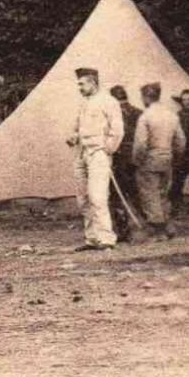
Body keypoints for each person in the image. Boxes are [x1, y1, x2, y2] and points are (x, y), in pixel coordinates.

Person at [65, 67, 123, 251]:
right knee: (83, 199)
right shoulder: (83, 104)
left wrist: (108, 149)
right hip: (81, 152)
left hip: (98, 153)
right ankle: (92, 238)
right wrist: (73, 136)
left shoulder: (108, 101)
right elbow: (76, 127)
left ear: (92, 82)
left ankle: (107, 238)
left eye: (82, 84)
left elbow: (118, 130)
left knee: (98, 196)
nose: (79, 87)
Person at [131, 82, 185, 239]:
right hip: (167, 157)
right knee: (163, 192)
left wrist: (137, 161)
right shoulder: (172, 115)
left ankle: (159, 229)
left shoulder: (145, 117)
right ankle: (169, 226)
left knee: (150, 194)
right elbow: (181, 140)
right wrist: (175, 156)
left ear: (146, 97)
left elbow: (140, 144)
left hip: (150, 159)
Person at [107, 85, 142, 242]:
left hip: (119, 158)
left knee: (116, 195)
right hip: (135, 158)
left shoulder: (112, 115)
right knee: (136, 192)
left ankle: (124, 230)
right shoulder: (138, 113)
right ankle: (147, 224)